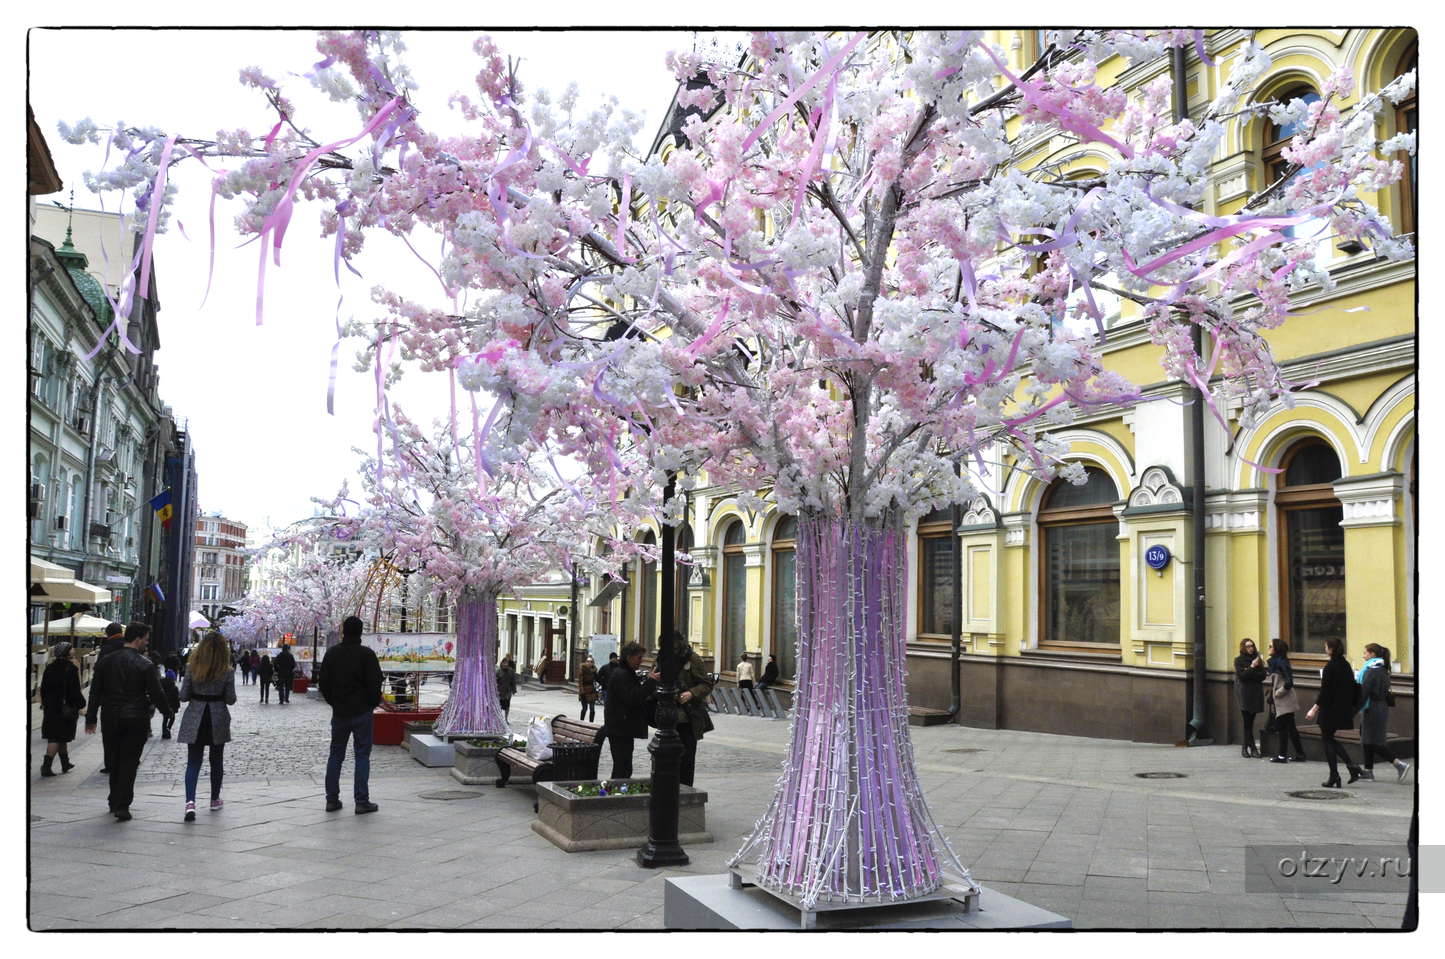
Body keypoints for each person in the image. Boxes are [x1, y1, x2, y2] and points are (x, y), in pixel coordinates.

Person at [84, 623, 173, 821]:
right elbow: (156, 692)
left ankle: (114, 799)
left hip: (110, 717)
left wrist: (91, 718)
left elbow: (95, 692)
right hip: (135, 718)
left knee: (114, 759)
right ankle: (122, 804)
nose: (147, 643)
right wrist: (168, 712)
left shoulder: (106, 661)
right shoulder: (144, 664)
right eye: (146, 639)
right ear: (137, 640)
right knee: (129, 761)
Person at [319, 616, 384, 814]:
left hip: (340, 712)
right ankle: (361, 800)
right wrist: (370, 704)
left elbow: (324, 683)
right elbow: (376, 683)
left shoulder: (332, 654)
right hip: (362, 712)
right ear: (360, 632)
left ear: (343, 631)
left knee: (335, 755)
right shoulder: (367, 655)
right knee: (362, 756)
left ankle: (332, 799)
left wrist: (335, 702)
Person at [177, 630, 237, 821]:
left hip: (196, 716)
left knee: (193, 761)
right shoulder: (227, 671)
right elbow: (231, 699)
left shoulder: (192, 668)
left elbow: (183, 696)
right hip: (217, 716)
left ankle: (190, 802)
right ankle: (214, 798)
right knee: (216, 760)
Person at [1306, 636, 1366, 788]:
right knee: (1329, 739)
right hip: (1343, 708)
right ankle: (1348, 768)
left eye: (1326, 646)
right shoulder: (1345, 665)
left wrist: (1313, 709)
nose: (1325, 648)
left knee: (1328, 740)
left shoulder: (1330, 667)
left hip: (1330, 708)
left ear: (1331, 649)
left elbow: (1324, 692)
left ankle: (1337, 774)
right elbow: (1352, 687)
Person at [600, 642, 659, 779]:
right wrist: (651, 681)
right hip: (620, 728)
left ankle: (617, 793)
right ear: (629, 657)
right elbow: (634, 697)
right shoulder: (622, 675)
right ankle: (617, 796)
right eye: (639, 658)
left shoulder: (625, 673)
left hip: (622, 728)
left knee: (623, 766)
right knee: (622, 768)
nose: (641, 660)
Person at [1357, 643, 1409, 783]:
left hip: (1372, 707)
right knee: (1366, 737)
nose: (1363, 656)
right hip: (1380, 706)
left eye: (1365, 652)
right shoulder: (1382, 668)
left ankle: (1398, 764)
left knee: (1370, 741)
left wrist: (1354, 709)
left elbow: (1364, 691)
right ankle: (1368, 771)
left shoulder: (1371, 670)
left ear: (1372, 654)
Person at [670, 631, 715, 787]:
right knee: (668, 758)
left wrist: (691, 693)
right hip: (668, 717)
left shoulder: (693, 659)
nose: (670, 652)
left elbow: (707, 684)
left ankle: (685, 790)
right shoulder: (661, 659)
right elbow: (654, 683)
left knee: (686, 759)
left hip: (687, 718)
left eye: (674, 649)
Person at [38, 642, 86, 777]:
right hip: (65, 708)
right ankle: (46, 767)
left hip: (51, 708)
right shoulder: (70, 668)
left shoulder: (50, 667)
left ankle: (65, 763)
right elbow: (74, 689)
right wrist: (81, 703)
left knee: (61, 736)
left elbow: (44, 689)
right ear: (67, 652)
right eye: (71, 648)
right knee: (55, 738)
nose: (73, 650)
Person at [93, 621, 128, 774]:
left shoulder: (107, 649)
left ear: (108, 634)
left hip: (110, 697)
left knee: (109, 735)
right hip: (128, 696)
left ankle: (110, 763)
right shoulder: (128, 646)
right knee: (124, 734)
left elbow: (98, 673)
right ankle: (126, 760)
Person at [1266, 638, 1307, 764]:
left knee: (1289, 727)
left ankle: (1295, 754)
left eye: (1270, 646)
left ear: (1277, 649)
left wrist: (1277, 693)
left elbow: (1289, 683)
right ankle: (1285, 755)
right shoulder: (1276, 662)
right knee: (1284, 727)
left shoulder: (1282, 662)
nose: (1268, 648)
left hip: (1285, 700)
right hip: (1281, 701)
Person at [1234, 638, 1267, 758]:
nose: (1251, 648)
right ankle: (1252, 748)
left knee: (1250, 722)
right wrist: (1252, 668)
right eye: (1248, 646)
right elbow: (1242, 677)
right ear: (1243, 647)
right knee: (1247, 721)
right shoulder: (1239, 660)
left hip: (1255, 693)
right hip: (1244, 694)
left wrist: (1250, 672)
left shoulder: (1257, 659)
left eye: (1252, 646)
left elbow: (1262, 675)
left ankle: (1244, 746)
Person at [496, 654, 518, 721]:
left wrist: (514, 690)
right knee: (499, 706)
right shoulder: (498, 671)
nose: (505, 664)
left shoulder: (510, 671)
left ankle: (506, 719)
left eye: (506, 663)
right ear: (502, 663)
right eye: (504, 663)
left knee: (507, 706)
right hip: (500, 692)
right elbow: (495, 682)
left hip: (507, 692)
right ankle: (499, 719)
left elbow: (513, 681)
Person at [160, 669, 180, 739]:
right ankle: (168, 729)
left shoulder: (162, 685)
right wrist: (177, 706)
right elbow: (176, 698)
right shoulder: (174, 688)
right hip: (172, 705)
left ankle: (164, 731)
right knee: (172, 718)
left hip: (164, 704)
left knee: (165, 718)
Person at [578, 655, 598, 722]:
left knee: (592, 709)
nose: (589, 663)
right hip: (585, 690)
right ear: (586, 662)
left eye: (591, 662)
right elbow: (580, 682)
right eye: (588, 661)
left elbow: (597, 679)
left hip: (592, 691)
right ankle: (581, 721)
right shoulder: (582, 670)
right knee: (584, 708)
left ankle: (591, 722)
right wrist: (582, 691)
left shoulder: (594, 671)